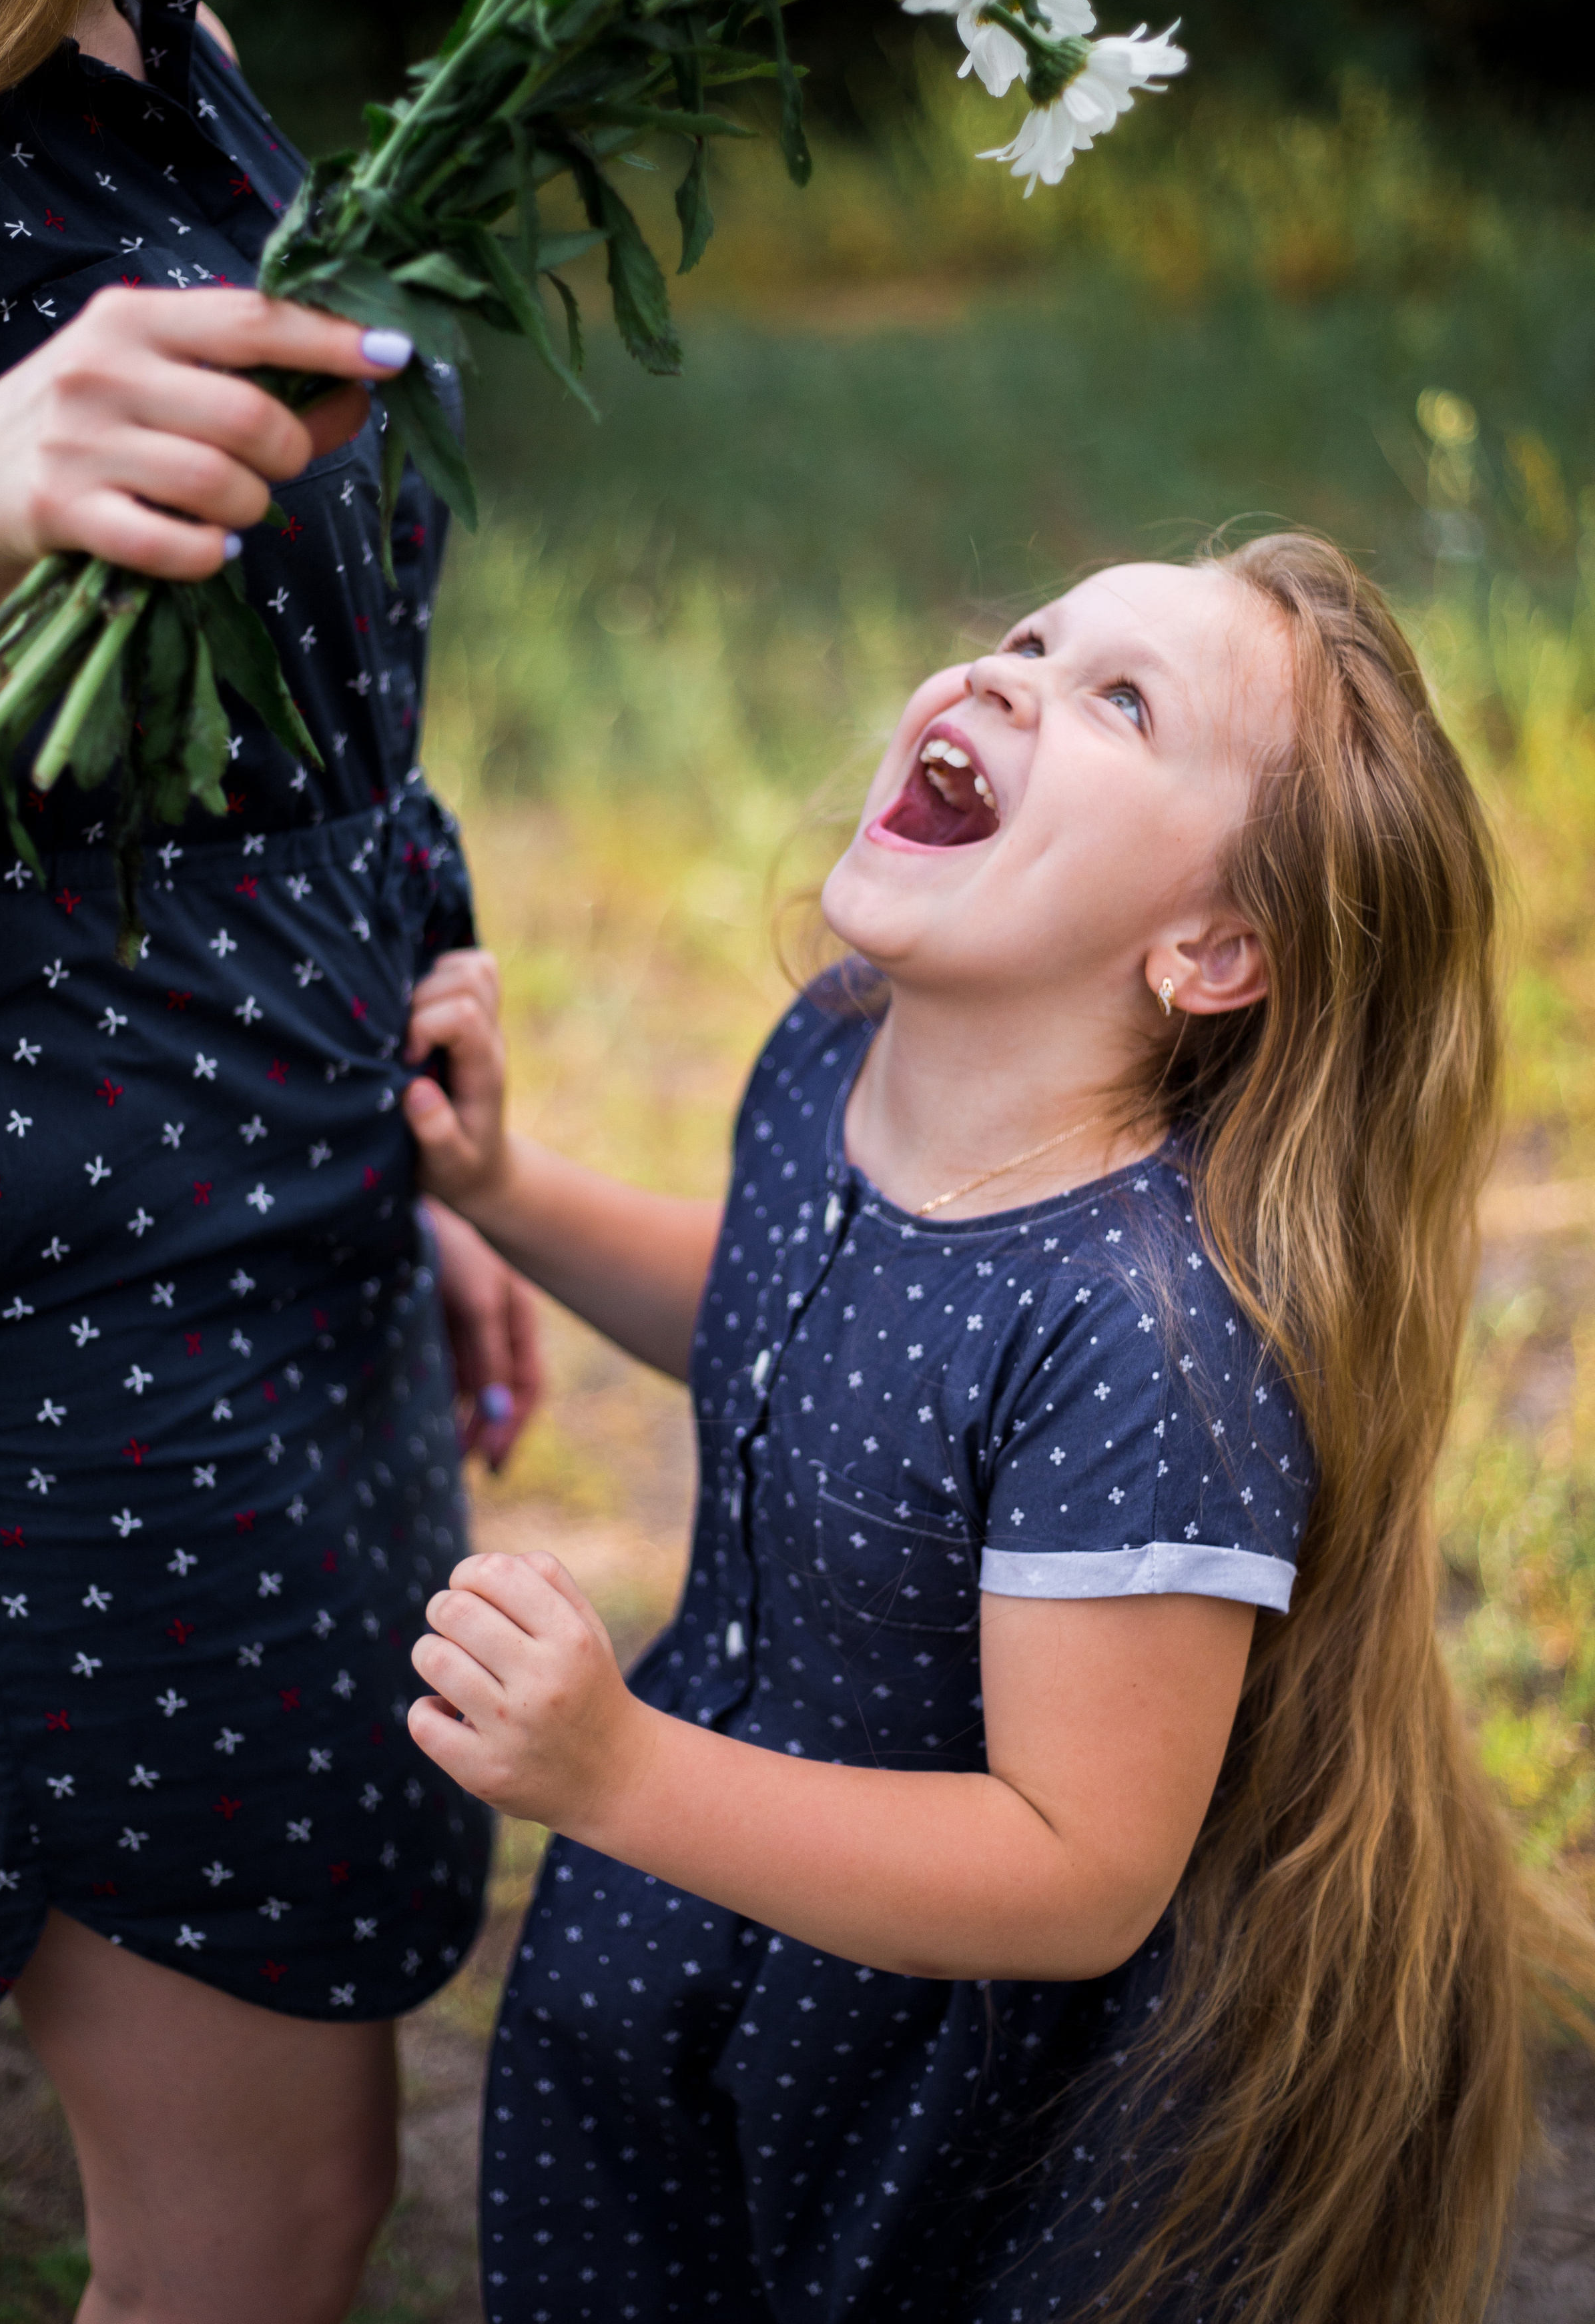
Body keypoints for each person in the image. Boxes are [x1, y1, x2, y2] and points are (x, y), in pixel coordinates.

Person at [402, 535, 1595, 2323]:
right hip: (692, 1931)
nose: (1005, 673)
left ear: (1212, 950)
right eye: (1031, 636)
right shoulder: (838, 1044)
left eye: (1121, 699)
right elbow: (783, 1327)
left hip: (932, 2086)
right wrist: (504, 1189)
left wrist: (623, 1780)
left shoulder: (1143, 1341)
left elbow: (1076, 1870)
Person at [0, 0, 539, 2319]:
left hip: (294, 1239)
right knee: (253, 2228)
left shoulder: (161, 19)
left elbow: (303, 689)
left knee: (302, 2194)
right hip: (71, 1356)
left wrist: (412, 1151)